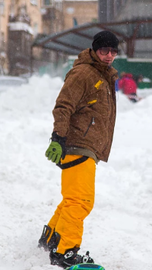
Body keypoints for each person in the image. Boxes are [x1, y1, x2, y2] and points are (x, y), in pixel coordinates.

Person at [38, 30, 119, 268]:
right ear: (94, 50)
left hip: (86, 145)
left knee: (71, 198)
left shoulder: (101, 75)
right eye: (104, 50)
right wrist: (57, 138)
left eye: (113, 51)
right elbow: (63, 106)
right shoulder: (83, 73)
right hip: (78, 144)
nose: (109, 56)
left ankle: (52, 239)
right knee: (81, 201)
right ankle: (66, 252)